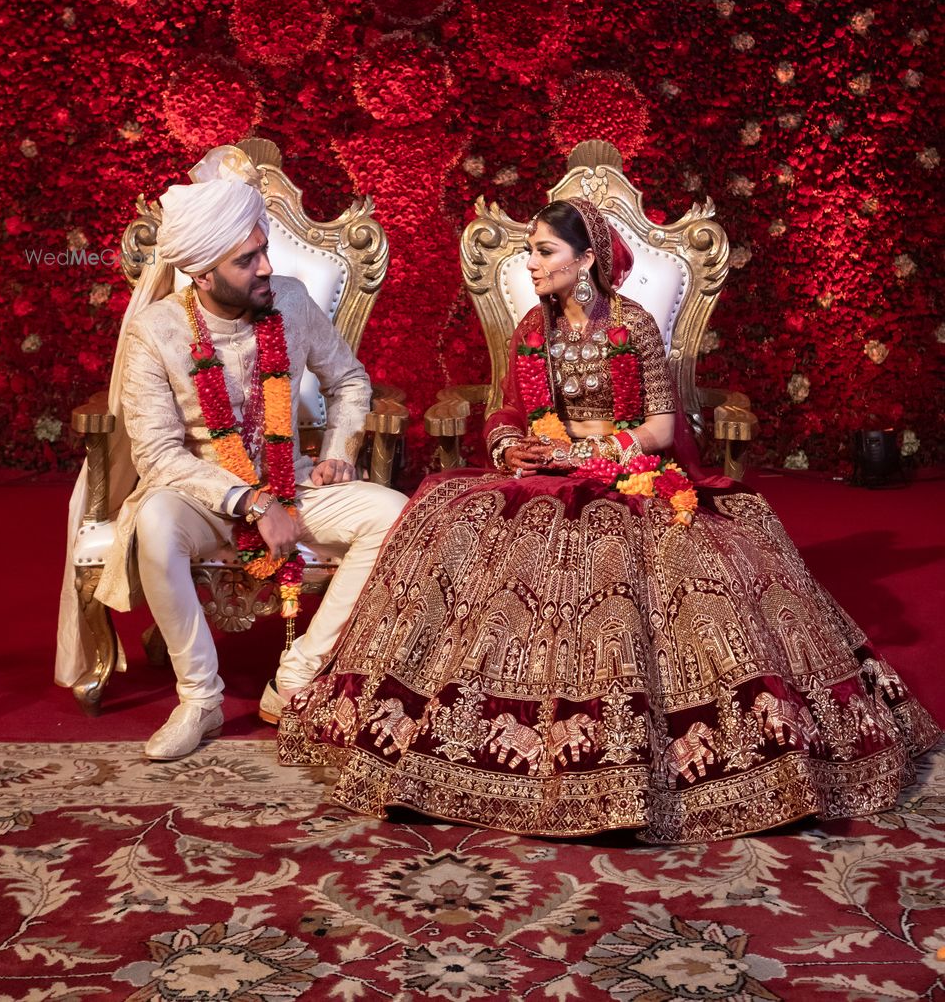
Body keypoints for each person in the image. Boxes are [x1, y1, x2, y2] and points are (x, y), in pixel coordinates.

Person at [277, 197, 939, 842]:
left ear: (587, 258)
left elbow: (660, 426)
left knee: (663, 559)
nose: (530, 265)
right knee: (450, 518)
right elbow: (506, 411)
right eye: (530, 252)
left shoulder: (633, 326)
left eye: (544, 252)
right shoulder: (533, 330)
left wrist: (593, 453)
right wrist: (512, 444)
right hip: (542, 473)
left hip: (626, 473)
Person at [55, 150, 405, 761]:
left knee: (396, 515)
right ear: (201, 273)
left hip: (294, 478)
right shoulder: (158, 332)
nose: (268, 266)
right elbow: (161, 454)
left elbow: (349, 381)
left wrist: (343, 451)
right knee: (156, 522)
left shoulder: (290, 302)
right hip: (202, 493)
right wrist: (250, 500)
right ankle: (200, 699)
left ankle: (296, 676)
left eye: (264, 248)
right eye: (248, 260)